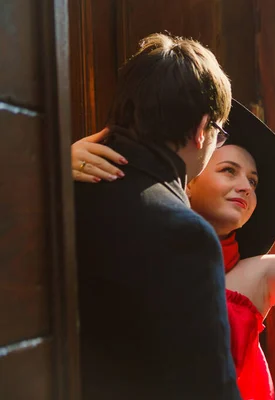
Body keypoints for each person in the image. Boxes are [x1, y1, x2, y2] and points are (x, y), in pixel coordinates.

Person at [72, 99, 275, 399]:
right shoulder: (138, 241)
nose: (245, 185)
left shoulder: (255, 275)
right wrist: (64, 164)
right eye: (229, 171)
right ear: (187, 180)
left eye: (253, 183)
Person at [72, 33, 241, 399]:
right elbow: (210, 387)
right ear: (202, 129)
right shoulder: (184, 234)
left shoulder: (51, 191)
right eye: (219, 132)